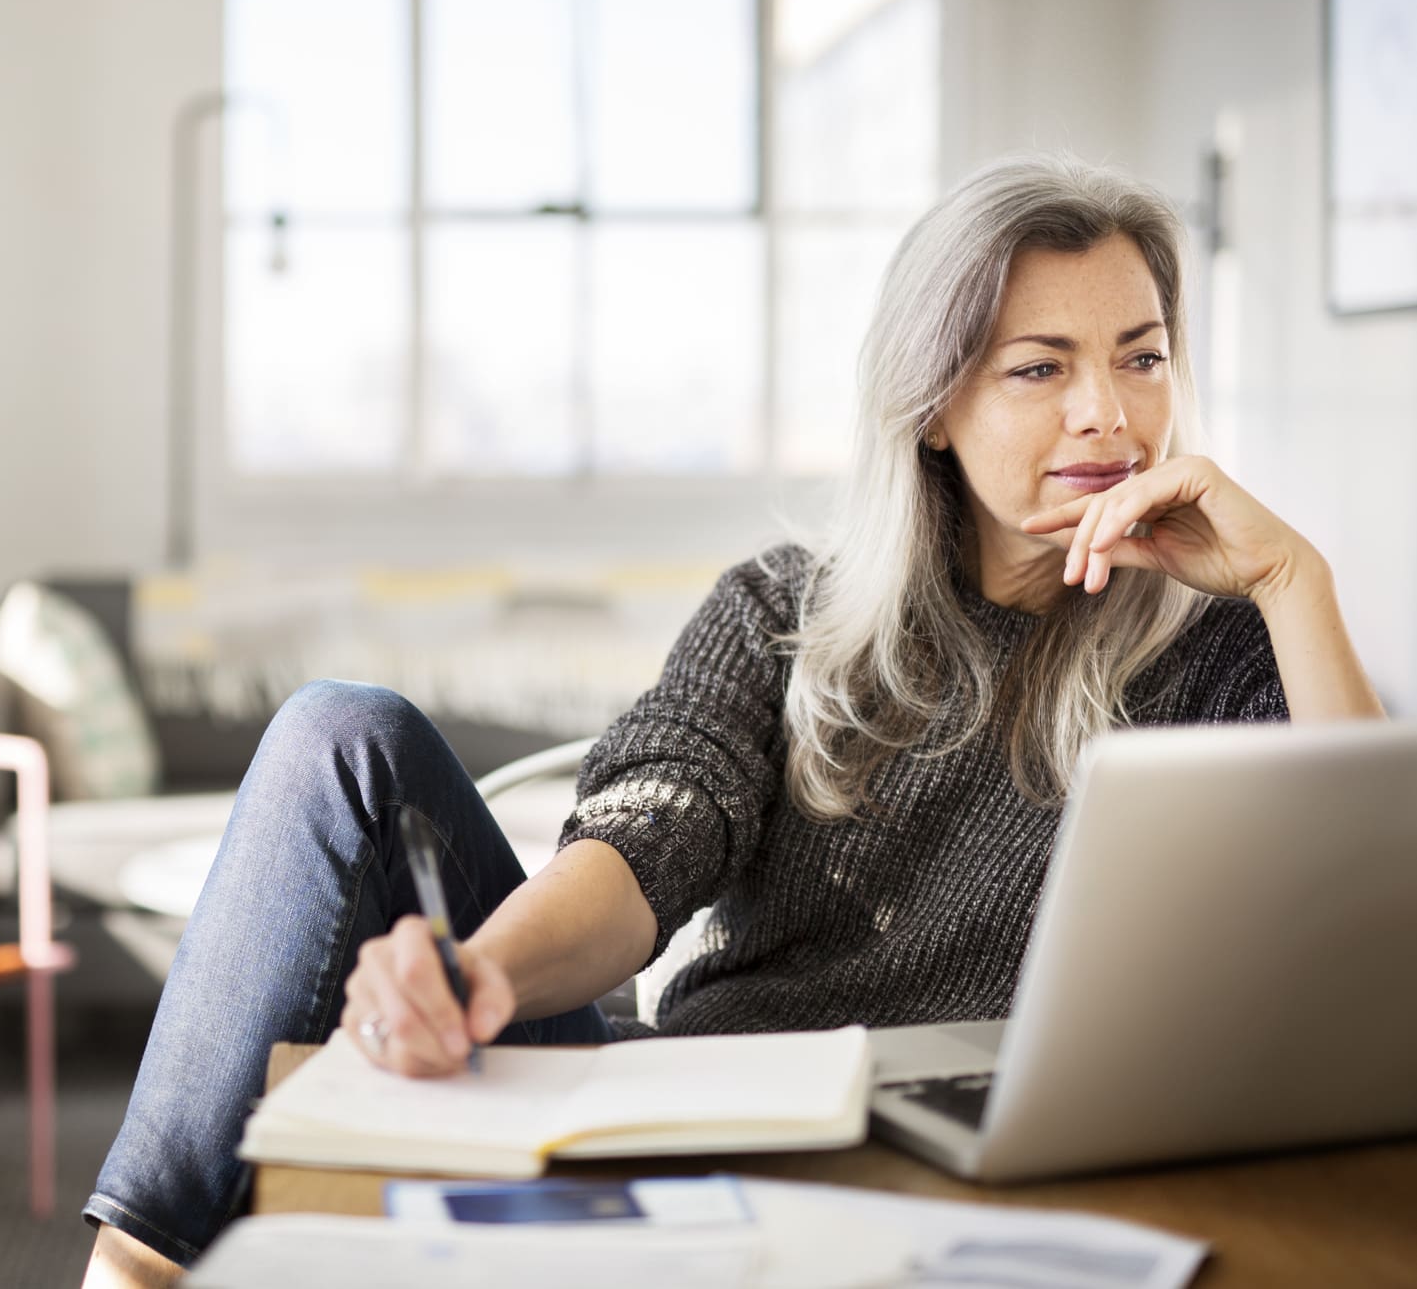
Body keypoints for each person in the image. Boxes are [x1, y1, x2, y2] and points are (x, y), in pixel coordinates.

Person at [78, 154, 1386, 1288]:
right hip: (710, 1116)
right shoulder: (782, 612)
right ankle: (126, 1266)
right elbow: (640, 851)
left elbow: (1369, 946)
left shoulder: (1225, 647)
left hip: (992, 1163)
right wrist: (485, 973)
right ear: (934, 406)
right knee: (335, 733)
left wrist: (1291, 582)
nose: (1105, 411)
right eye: (1039, 366)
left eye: (1140, 356)